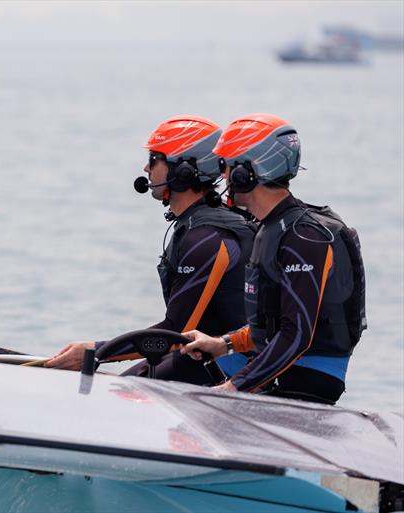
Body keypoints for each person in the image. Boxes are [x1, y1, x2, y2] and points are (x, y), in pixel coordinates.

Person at [46, 115, 255, 384]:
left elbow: (179, 330)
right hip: (196, 355)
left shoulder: (206, 238)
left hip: (222, 363)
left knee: (118, 391)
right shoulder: (198, 225)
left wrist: (96, 351)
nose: (146, 168)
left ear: (184, 170)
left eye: (155, 159)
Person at [180, 113, 366, 404]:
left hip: (306, 376)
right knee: (177, 364)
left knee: (184, 383)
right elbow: (270, 326)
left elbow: (297, 335)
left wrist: (234, 387)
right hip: (278, 363)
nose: (223, 177)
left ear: (247, 172)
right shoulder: (270, 227)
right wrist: (222, 344)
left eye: (226, 167)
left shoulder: (304, 237)